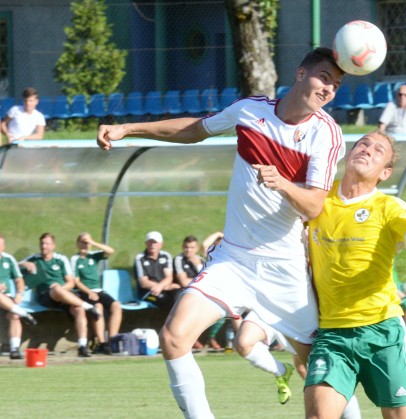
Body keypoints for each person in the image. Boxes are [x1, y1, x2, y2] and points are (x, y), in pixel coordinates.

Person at [96, 47, 345, 418]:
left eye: (336, 85)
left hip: (286, 267)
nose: (328, 89)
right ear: (300, 73)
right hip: (234, 259)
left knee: (316, 368)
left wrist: (283, 185)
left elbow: (313, 205)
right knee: (174, 337)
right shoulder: (250, 110)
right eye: (324, 77)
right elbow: (195, 130)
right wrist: (127, 128)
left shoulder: (326, 134)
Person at [304, 131, 406, 418]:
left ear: (385, 172)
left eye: (378, 150)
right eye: (363, 144)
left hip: (382, 330)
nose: (367, 150)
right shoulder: (317, 200)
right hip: (332, 334)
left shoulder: (390, 207)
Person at [19, 233, 100, 357]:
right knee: (56, 288)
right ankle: (89, 307)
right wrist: (25, 264)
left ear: (53, 246)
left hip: (64, 295)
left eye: (47, 244)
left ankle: (82, 347)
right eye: (42, 243)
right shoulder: (35, 258)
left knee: (79, 310)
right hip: (45, 296)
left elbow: (71, 282)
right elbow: (15, 265)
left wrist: (61, 291)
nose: (44, 246)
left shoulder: (61, 259)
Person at [71, 232, 122, 355]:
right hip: (84, 291)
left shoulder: (93, 256)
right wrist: (88, 292)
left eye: (87, 242)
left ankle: (112, 340)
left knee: (116, 306)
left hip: (98, 290)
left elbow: (110, 251)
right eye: (82, 241)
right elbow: (76, 281)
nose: (85, 244)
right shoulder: (75, 259)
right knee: (98, 307)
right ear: (78, 244)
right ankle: (102, 343)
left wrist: (93, 242)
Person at [0, 234, 37, 359]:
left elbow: (19, 279)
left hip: (7, 299)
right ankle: (24, 314)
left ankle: (14, 349)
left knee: (14, 315)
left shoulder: (8, 259)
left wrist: (19, 293)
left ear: (4, 247)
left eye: (0, 245)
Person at [133, 231, 179, 312]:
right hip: (148, 292)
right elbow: (143, 283)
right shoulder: (140, 258)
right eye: (150, 242)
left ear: (161, 244)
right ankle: (170, 323)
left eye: (155, 242)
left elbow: (169, 277)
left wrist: (161, 286)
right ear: (146, 243)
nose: (152, 245)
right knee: (164, 299)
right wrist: (163, 287)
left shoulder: (166, 256)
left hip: (164, 288)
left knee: (179, 295)